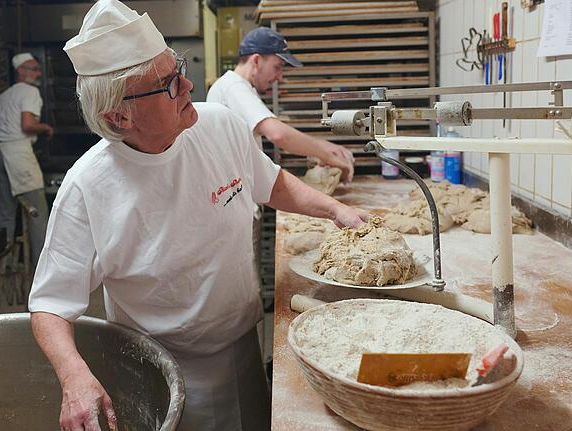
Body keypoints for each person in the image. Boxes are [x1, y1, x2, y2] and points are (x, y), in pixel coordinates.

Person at [28, 1, 370, 430]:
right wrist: (74, 376)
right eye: (168, 84)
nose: (188, 84)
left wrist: (335, 210)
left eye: (178, 68)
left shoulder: (219, 125)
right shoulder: (88, 189)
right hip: (163, 369)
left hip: (244, 343)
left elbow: (270, 182)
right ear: (118, 115)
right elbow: (50, 306)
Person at [207, 26, 355, 182]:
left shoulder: (242, 88)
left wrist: (322, 148)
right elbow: (278, 134)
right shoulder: (233, 87)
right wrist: (326, 153)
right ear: (256, 60)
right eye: (277, 67)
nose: (280, 77)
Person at [0, 53, 54, 268]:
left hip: (0, 155)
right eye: (34, 69)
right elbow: (27, 125)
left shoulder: (4, 96)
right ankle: (42, 271)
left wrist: (7, 128)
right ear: (21, 71)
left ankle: (4, 267)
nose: (38, 73)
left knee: (5, 214)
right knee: (37, 214)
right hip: (18, 156)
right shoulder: (30, 91)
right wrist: (46, 128)